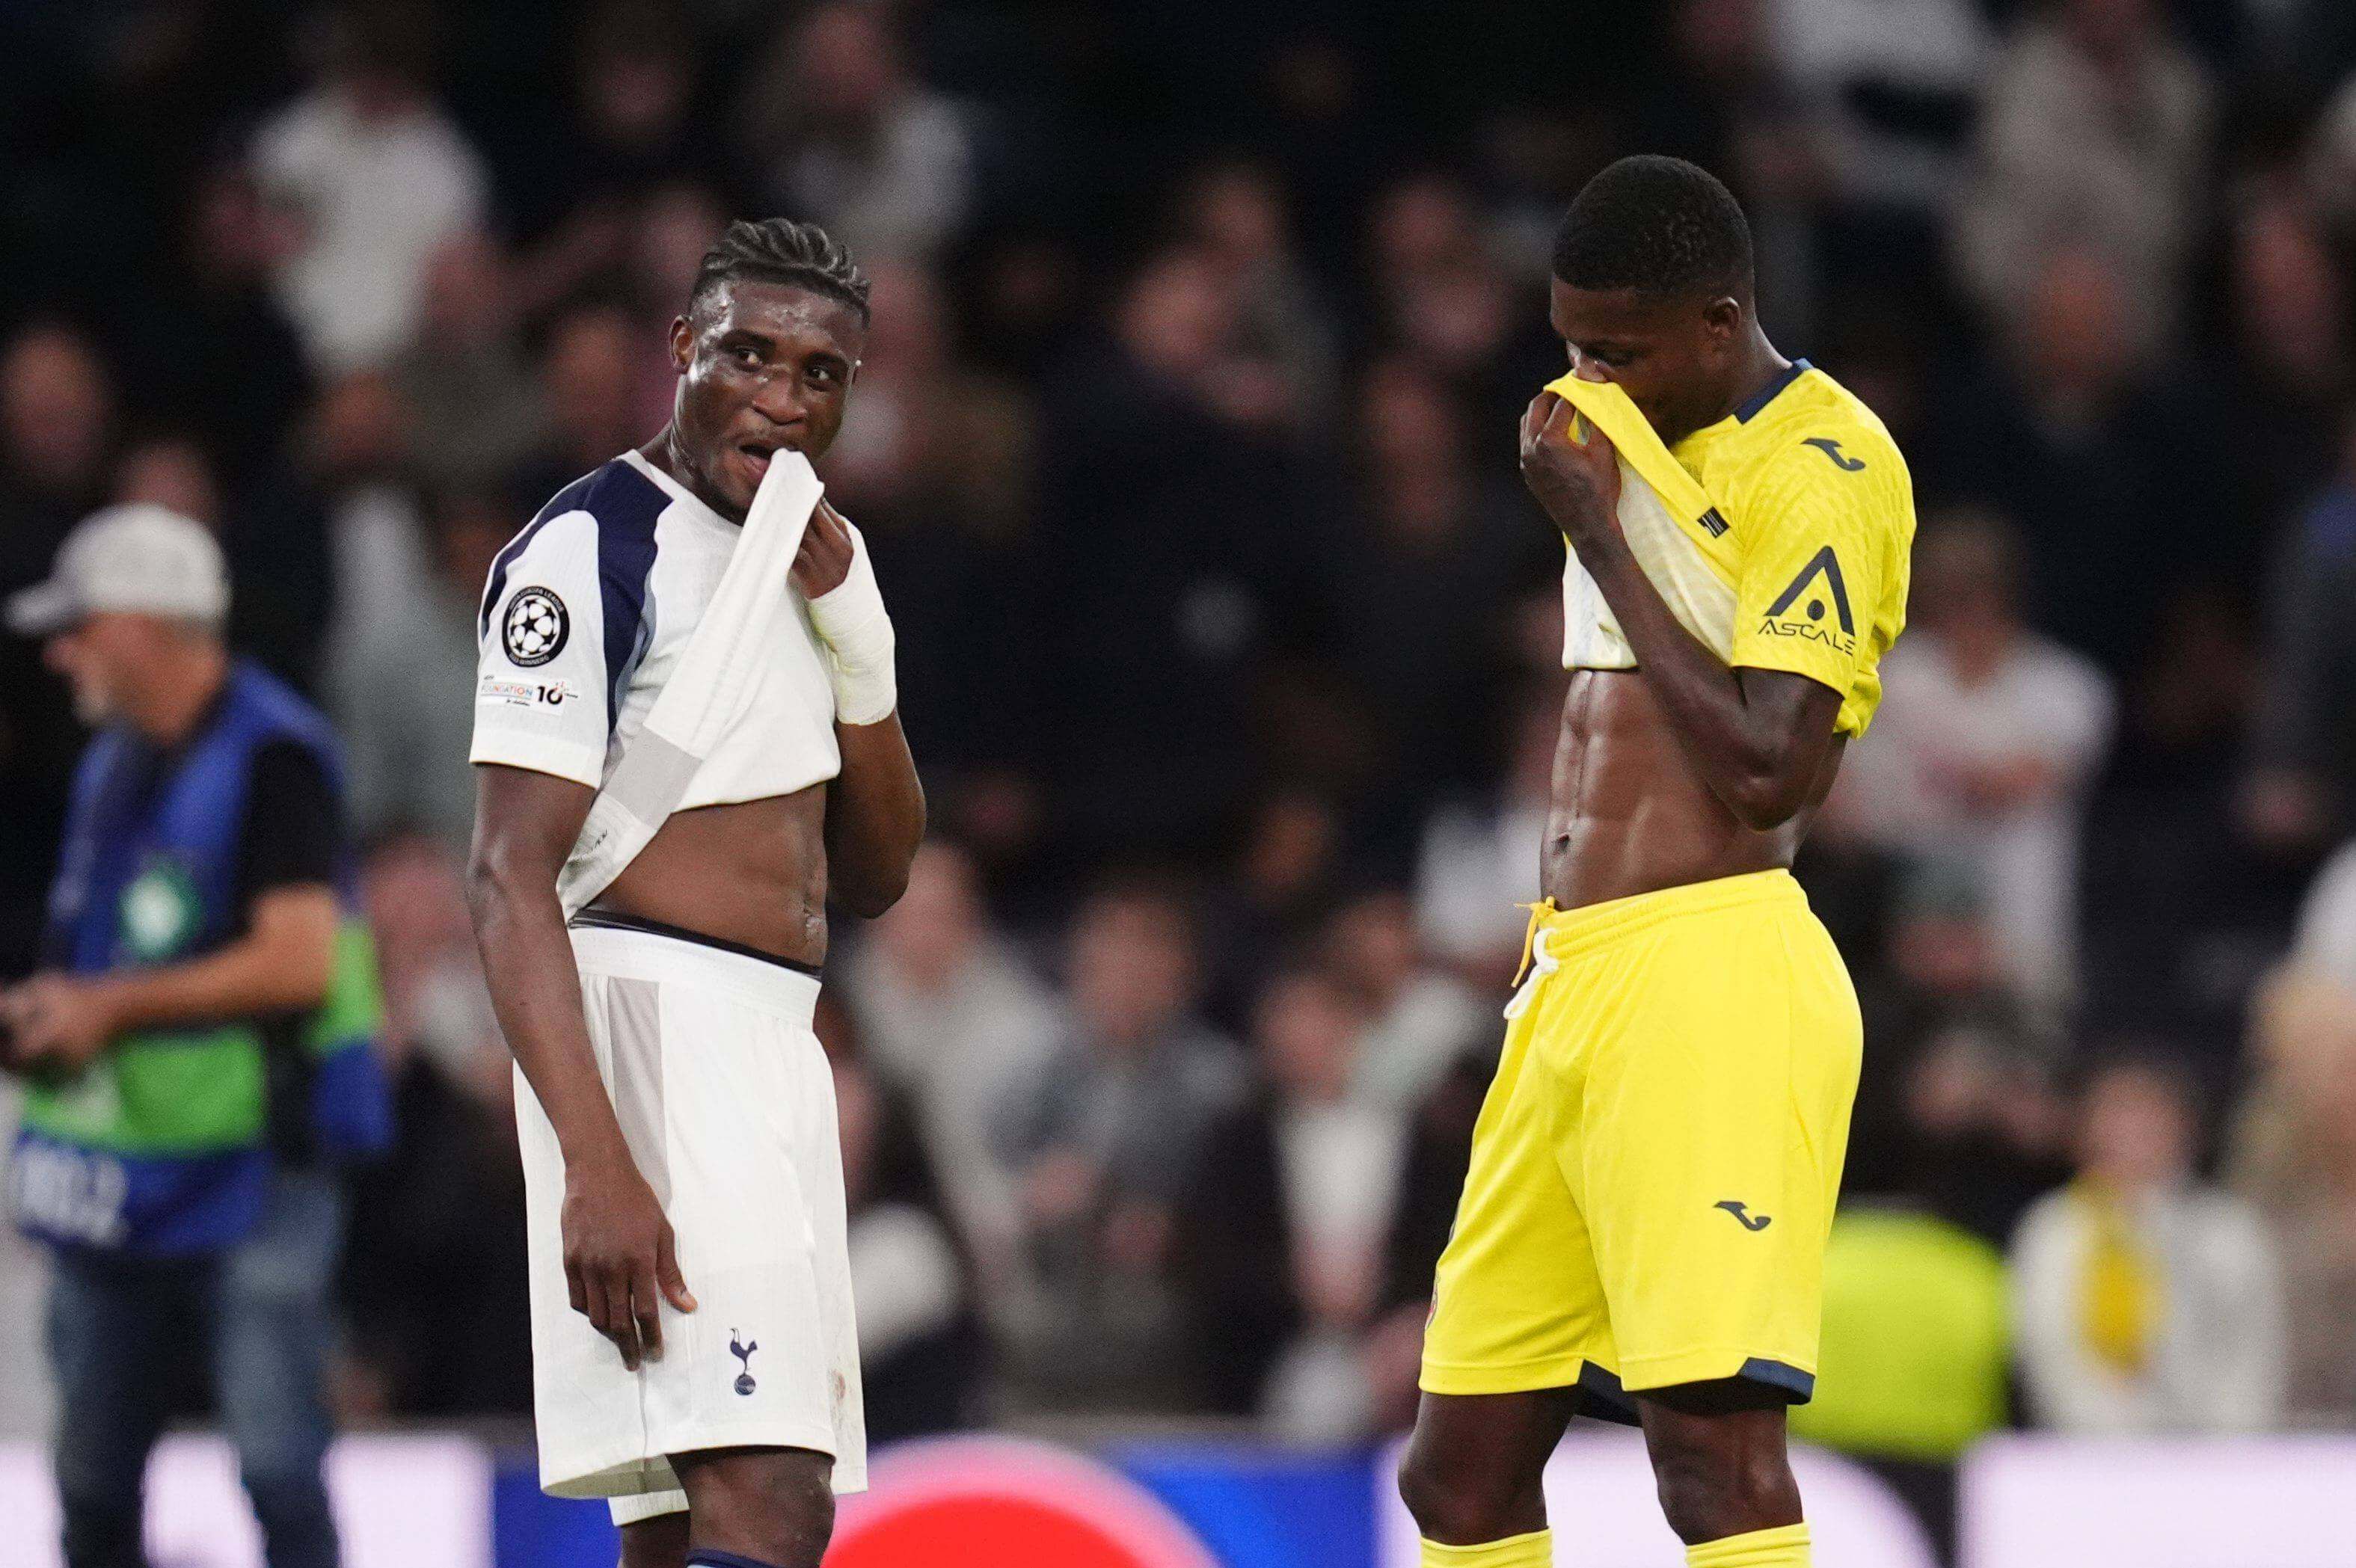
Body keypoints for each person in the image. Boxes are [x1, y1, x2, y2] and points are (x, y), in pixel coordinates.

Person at [1398, 156, 1915, 1568]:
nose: (1587, 376)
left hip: (1712, 975)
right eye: (1569, 343)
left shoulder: (1825, 466)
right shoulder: (1627, 432)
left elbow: (1770, 769)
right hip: (1570, 976)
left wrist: (1597, 526)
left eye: (1616, 349)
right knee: (1456, 1474)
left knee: (1710, 1459)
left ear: (1719, 321)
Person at [464, 218, 923, 1568]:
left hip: (777, 1043)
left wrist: (860, 646)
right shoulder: (590, 547)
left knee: (684, 1516)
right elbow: (505, 873)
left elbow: (878, 875)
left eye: (820, 374)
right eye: (749, 356)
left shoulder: (822, 557)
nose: (782, 398)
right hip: (653, 1031)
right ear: (680, 350)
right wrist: (596, 1163)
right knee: (771, 1496)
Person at [1, 503, 390, 1568]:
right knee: (89, 1480)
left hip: (260, 1162)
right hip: (127, 1167)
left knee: (276, 1462)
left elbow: (298, 961)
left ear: (142, 626)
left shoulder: (277, 757)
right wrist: (51, 1009)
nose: (62, 652)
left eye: (80, 626)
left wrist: (106, 1009)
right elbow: (104, 946)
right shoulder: (114, 762)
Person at [2011, 1057, 2286, 1433]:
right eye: (2117, 1115)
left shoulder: (2229, 1229)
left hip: (2218, 1449)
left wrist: (2226, 1443)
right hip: (2090, 1449)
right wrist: (2117, 1438)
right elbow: (2048, 1349)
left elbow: (2253, 1351)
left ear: (2186, 1130)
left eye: (2150, 1116)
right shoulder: (2055, 1229)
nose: (2133, 1132)